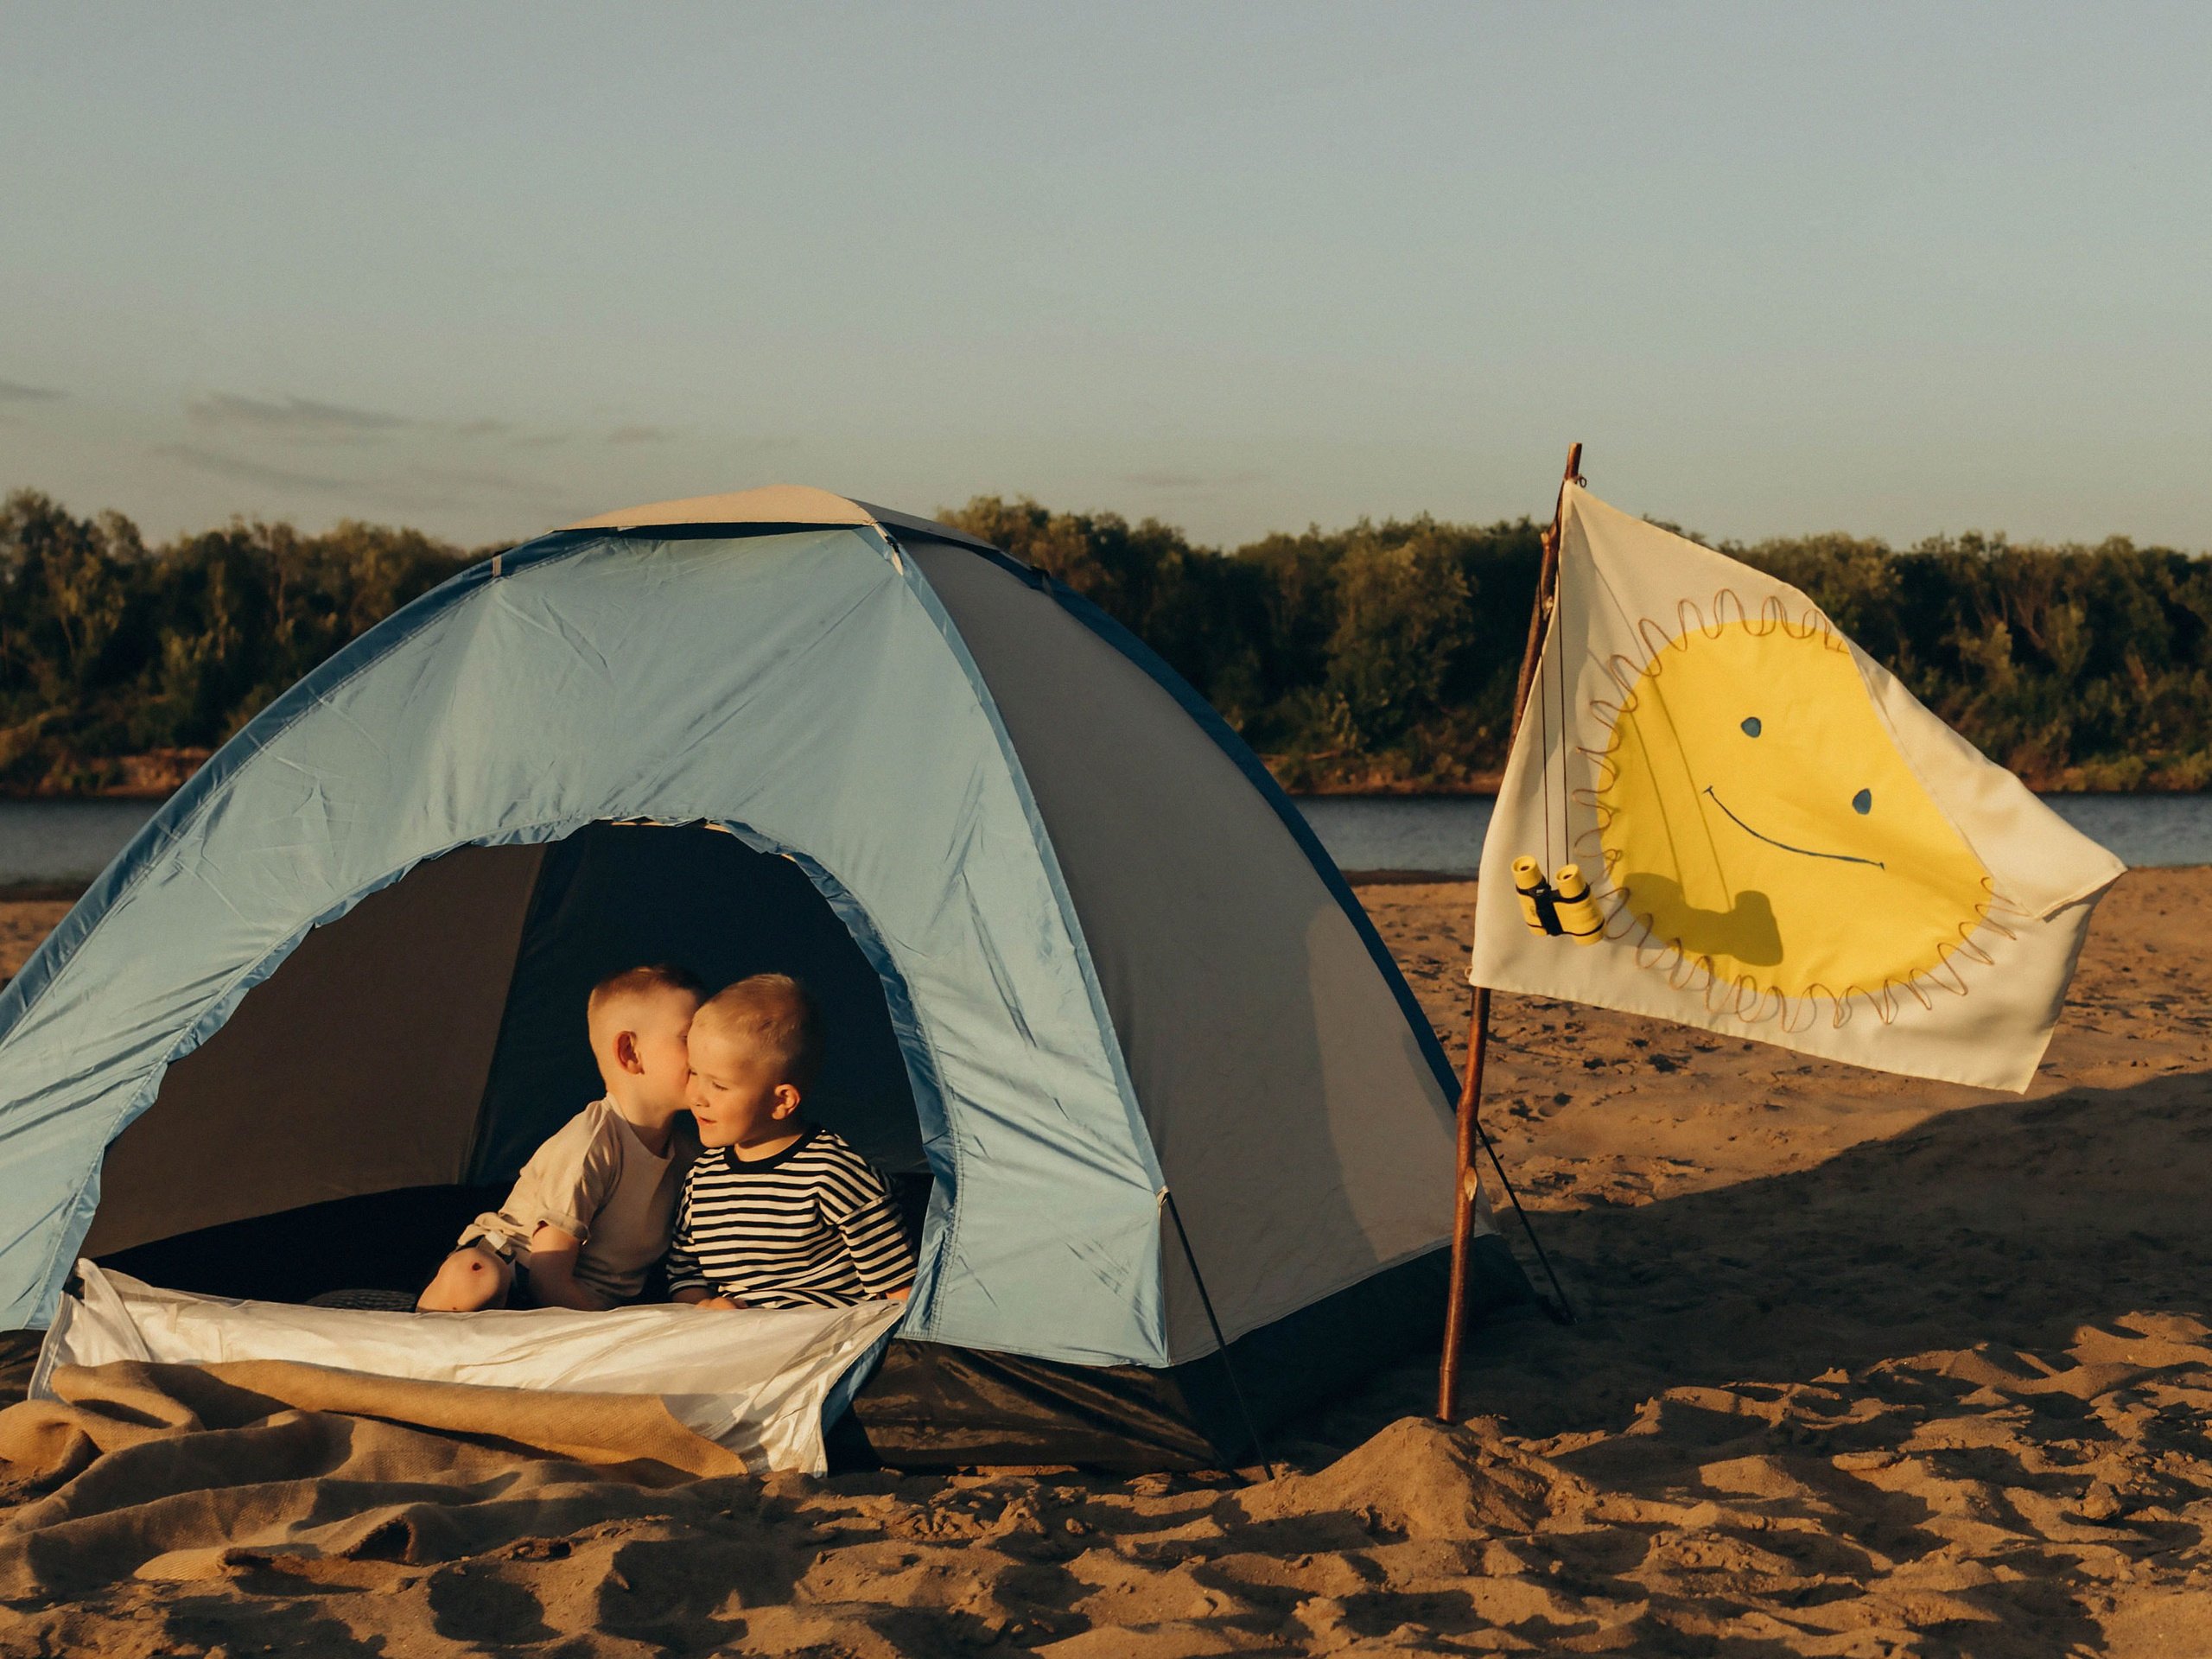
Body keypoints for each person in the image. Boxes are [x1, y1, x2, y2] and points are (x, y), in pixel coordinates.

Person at [416, 963, 703, 1312]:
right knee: (475, 1274)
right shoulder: (591, 1143)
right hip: (518, 1273)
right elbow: (547, 1280)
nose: (710, 1051)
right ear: (630, 1053)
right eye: (691, 1038)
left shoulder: (690, 1154)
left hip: (592, 1300)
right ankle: (424, 1332)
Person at [667, 973, 915, 1311]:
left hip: (824, 1338)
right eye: (695, 1073)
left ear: (781, 1101)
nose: (697, 1096)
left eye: (719, 1086)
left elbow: (899, 1291)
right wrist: (707, 1307)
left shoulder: (834, 1173)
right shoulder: (702, 1178)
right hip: (728, 1339)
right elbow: (685, 1275)